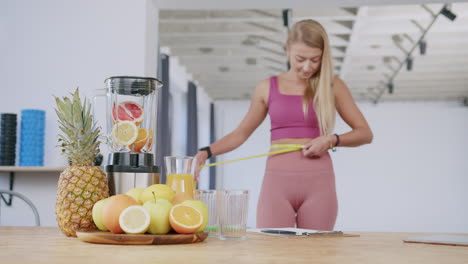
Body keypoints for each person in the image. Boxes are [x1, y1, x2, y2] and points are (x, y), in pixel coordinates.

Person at [195, 20, 373, 230]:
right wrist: (205, 152)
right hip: (277, 183)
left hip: (319, 182)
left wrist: (331, 139)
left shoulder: (332, 86)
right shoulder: (266, 88)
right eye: (300, 59)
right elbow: (240, 134)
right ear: (287, 50)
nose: (307, 67)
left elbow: (365, 133)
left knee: (318, 256)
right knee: (272, 252)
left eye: (315, 60)